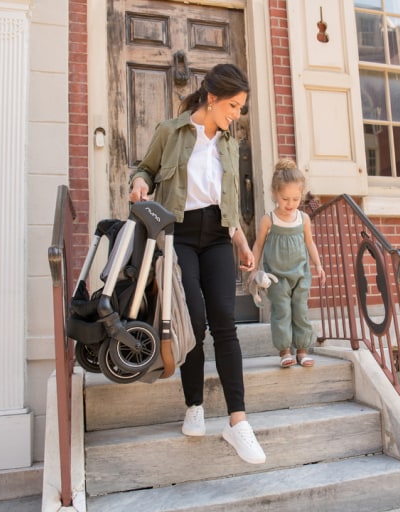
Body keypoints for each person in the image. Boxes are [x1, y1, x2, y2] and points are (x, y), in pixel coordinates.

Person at [129, 64, 265, 465]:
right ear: (211, 98)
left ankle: (238, 422)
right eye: (233, 106)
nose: (236, 115)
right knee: (193, 319)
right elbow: (145, 170)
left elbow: (227, 205)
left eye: (241, 108)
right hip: (179, 236)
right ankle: (194, 405)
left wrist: (241, 242)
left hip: (219, 237)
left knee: (226, 321)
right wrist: (138, 184)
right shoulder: (170, 132)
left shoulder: (228, 144)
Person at [251, 159, 326, 368]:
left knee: (300, 311)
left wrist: (318, 265)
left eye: (295, 198)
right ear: (275, 194)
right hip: (277, 276)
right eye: (285, 198)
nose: (290, 203)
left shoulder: (303, 219)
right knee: (282, 311)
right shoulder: (269, 219)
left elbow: (309, 243)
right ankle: (285, 351)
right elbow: (258, 245)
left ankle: (302, 350)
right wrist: (253, 268)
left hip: (301, 273)